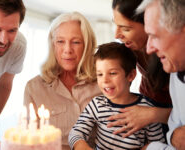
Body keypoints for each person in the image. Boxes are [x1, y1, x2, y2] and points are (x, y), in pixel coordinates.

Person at [24, 12, 101, 150]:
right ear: (53, 44)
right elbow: (30, 141)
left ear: (87, 45)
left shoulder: (103, 83)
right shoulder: (34, 88)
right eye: (60, 41)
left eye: (76, 42)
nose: (67, 50)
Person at [68, 42, 166, 150]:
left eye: (112, 73)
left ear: (131, 75)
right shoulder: (96, 104)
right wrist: (82, 147)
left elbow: (158, 144)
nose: (105, 80)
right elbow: (76, 133)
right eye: (100, 74)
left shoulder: (147, 109)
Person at [107, 0, 172, 138]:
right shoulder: (131, 48)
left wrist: (153, 114)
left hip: (170, 117)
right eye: (116, 25)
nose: (117, 35)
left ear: (149, 22)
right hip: (146, 108)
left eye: (125, 28)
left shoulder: (174, 55)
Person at [136, 0, 185, 149]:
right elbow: (174, 132)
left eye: (154, 36)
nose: (149, 49)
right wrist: (173, 137)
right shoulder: (176, 73)